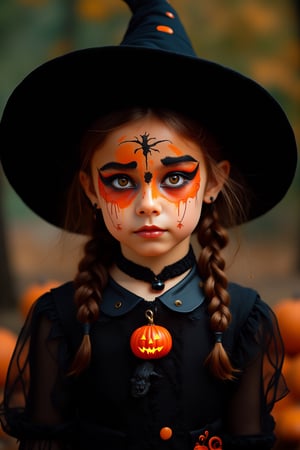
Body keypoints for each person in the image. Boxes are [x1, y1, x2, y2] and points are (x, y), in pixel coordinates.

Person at [0, 1, 298, 449]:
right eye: (121, 181)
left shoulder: (244, 320)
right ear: (90, 188)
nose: (148, 204)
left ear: (214, 181)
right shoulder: (58, 321)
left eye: (175, 178)